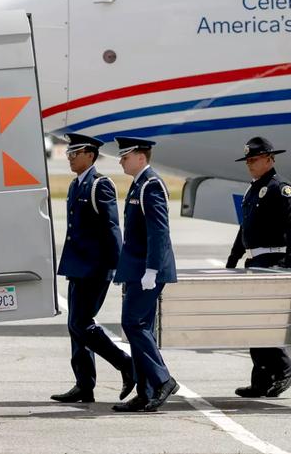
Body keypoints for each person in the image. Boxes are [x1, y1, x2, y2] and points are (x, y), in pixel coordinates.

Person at [50, 133, 135, 404]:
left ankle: (126, 364)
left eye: (74, 153)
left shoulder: (100, 185)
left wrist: (118, 267)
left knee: (81, 323)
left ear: (89, 154)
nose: (70, 158)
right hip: (78, 267)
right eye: (69, 154)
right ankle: (84, 384)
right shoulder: (77, 184)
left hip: (96, 268)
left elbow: (112, 229)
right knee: (75, 326)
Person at [225, 136, 291, 398]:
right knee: (251, 323)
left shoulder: (280, 188)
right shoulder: (252, 188)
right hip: (254, 261)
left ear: (270, 159)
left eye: (255, 159)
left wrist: (290, 264)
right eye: (248, 160)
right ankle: (262, 379)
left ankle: (285, 367)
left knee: (261, 323)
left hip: (273, 262)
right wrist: (233, 259)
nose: (250, 164)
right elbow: (244, 227)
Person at [111, 136, 179, 412]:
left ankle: (162, 379)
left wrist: (152, 269)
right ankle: (146, 390)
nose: (121, 161)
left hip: (149, 270)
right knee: (142, 327)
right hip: (138, 270)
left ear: (140, 157)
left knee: (133, 323)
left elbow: (159, 230)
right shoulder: (139, 184)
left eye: (125, 156)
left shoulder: (151, 185)